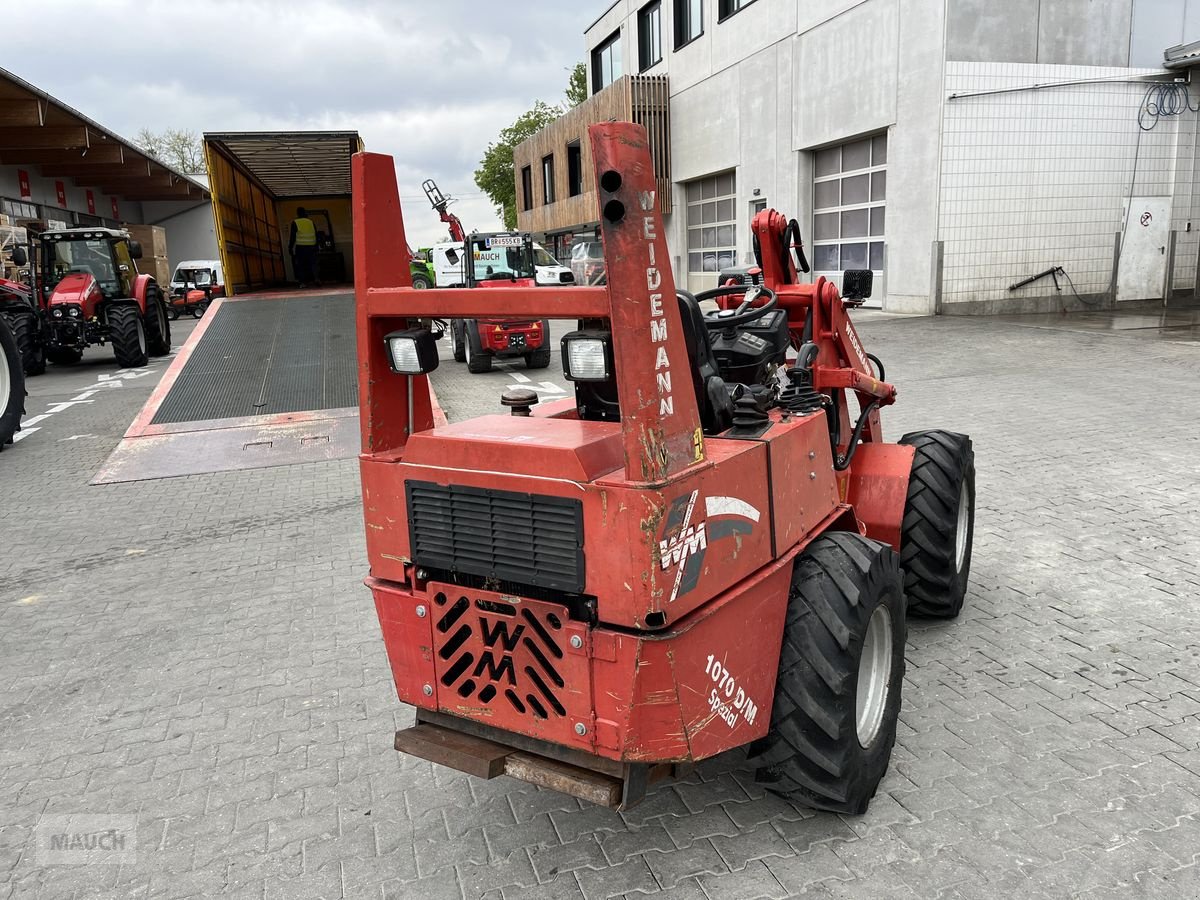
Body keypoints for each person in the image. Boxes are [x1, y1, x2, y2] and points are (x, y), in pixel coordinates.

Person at [289, 208, 319, 288]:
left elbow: (292, 237)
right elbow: (316, 234)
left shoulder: (295, 222)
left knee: (301, 265)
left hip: (301, 246)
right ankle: (316, 279)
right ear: (305, 213)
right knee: (313, 263)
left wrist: (290, 247)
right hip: (312, 245)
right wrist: (317, 246)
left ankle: (302, 282)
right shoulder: (311, 222)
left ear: (298, 214)